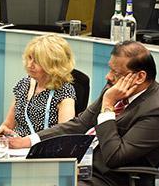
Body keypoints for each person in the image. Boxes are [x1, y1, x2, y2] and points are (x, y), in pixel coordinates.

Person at [8, 41, 159, 186]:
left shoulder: (154, 109)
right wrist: (29, 140)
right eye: (110, 69)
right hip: (78, 165)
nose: (108, 76)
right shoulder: (114, 89)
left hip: (108, 177)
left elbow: (115, 156)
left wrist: (107, 107)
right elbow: (80, 124)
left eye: (116, 72)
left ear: (139, 77)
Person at [0, 34, 76, 137]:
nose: (29, 65)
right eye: (29, 58)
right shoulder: (24, 84)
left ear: (53, 65)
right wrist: (4, 131)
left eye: (37, 61)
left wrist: (26, 143)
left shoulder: (64, 91)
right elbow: (8, 125)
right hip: (15, 146)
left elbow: (64, 135)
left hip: (43, 148)